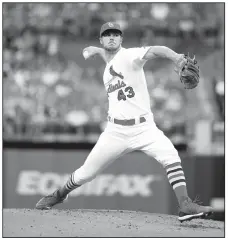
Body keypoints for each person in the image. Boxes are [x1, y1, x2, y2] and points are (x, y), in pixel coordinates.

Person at [36, 22, 213, 222]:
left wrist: (176, 57)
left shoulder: (130, 55)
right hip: (115, 132)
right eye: (107, 35)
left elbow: (156, 50)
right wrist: (96, 51)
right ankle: (59, 194)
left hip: (145, 128)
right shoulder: (109, 63)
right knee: (86, 174)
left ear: (121, 39)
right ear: (102, 40)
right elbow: (108, 57)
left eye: (116, 34)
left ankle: (185, 204)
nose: (112, 37)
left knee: (170, 155)